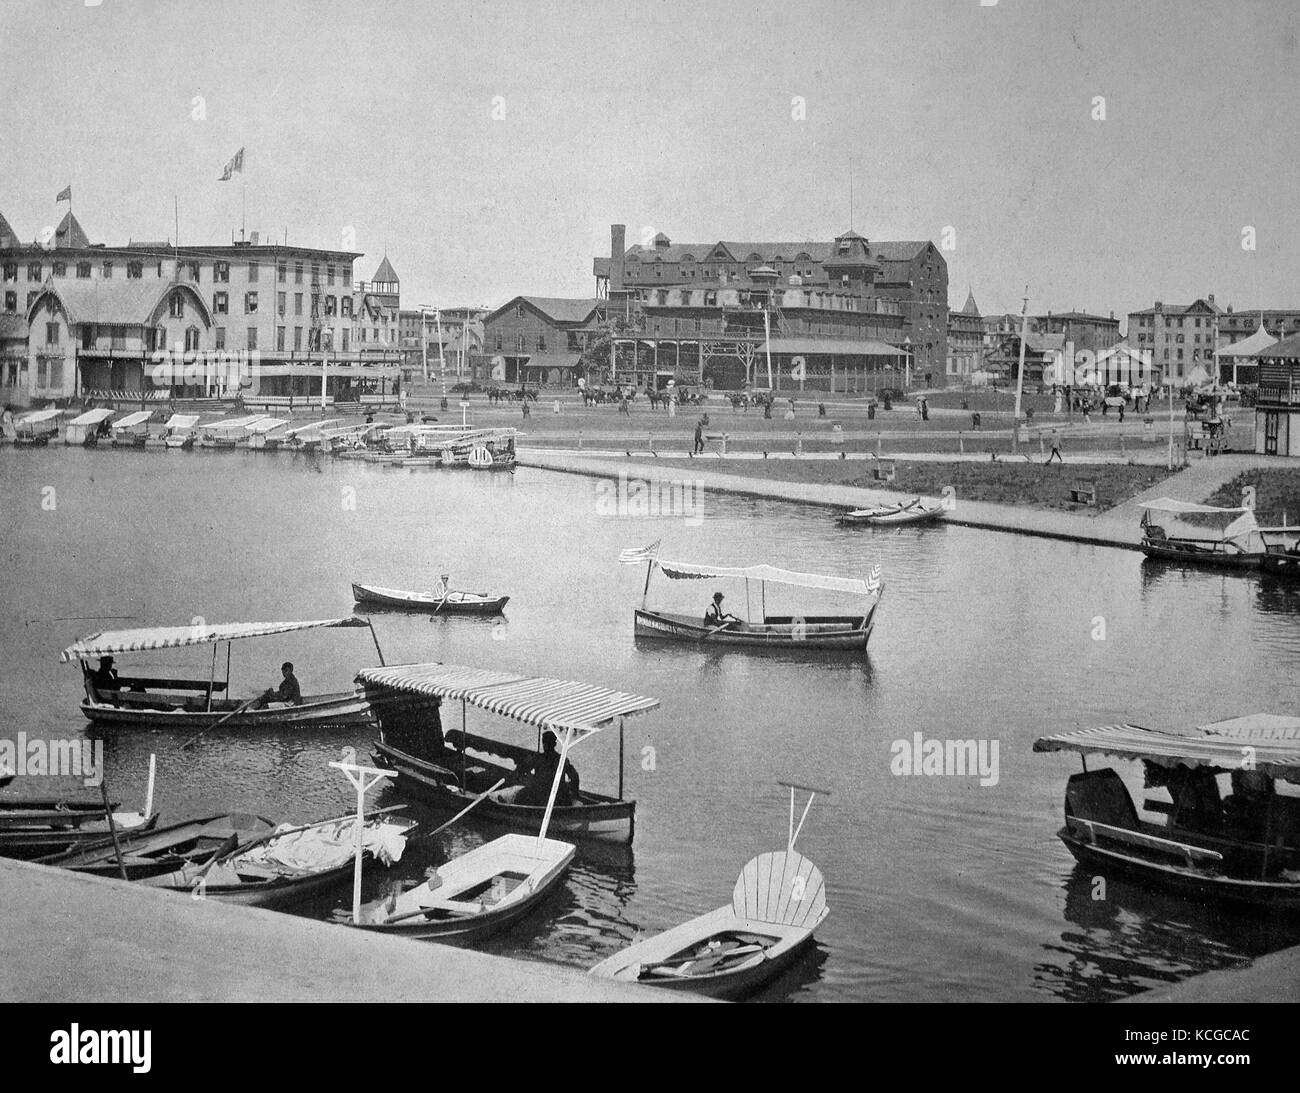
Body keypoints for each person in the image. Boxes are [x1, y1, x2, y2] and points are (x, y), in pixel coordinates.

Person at [500, 731, 580, 807]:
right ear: (554, 744)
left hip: (542, 795)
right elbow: (574, 776)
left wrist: (518, 773)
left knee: (521, 794)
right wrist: (574, 793)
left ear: (544, 744)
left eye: (545, 743)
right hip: (559, 796)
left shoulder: (538, 758)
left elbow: (522, 769)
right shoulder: (561, 759)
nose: (545, 745)